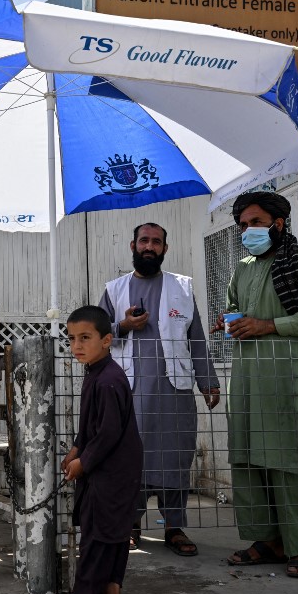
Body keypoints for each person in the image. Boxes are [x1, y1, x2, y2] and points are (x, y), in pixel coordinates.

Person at [214, 192, 298, 579]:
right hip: (247, 382)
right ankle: (266, 542)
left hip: (290, 381)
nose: (247, 231)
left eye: (255, 222)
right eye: (242, 225)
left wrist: (268, 325)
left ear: (278, 223)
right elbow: (238, 311)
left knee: (289, 463)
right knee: (248, 460)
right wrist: (228, 322)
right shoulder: (242, 269)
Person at [99, 223, 219, 555]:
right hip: (130, 393)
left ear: (165, 248)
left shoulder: (182, 287)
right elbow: (95, 335)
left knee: (175, 458)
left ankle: (174, 527)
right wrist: (123, 325)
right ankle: (131, 525)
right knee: (131, 459)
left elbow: (197, 338)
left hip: (174, 392)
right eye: (144, 241)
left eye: (156, 242)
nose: (149, 247)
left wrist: (208, 380)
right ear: (133, 246)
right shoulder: (114, 290)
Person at [48, 306, 143, 594]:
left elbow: (108, 433)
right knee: (115, 534)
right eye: (72, 338)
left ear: (106, 340)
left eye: (85, 338)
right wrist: (76, 449)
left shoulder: (107, 380)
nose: (77, 345)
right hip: (120, 470)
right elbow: (93, 424)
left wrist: (83, 463)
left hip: (109, 472)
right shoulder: (97, 372)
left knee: (97, 536)